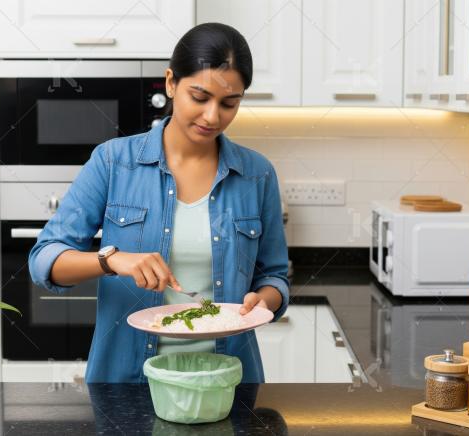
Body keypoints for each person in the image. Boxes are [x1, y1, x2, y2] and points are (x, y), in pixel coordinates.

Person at [28, 22, 290, 383]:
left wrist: (265, 301)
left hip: (228, 384)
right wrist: (112, 260)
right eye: (199, 97)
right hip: (126, 383)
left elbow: (274, 276)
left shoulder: (257, 174)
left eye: (229, 103)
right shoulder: (113, 162)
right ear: (170, 83)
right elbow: (44, 260)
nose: (213, 116)